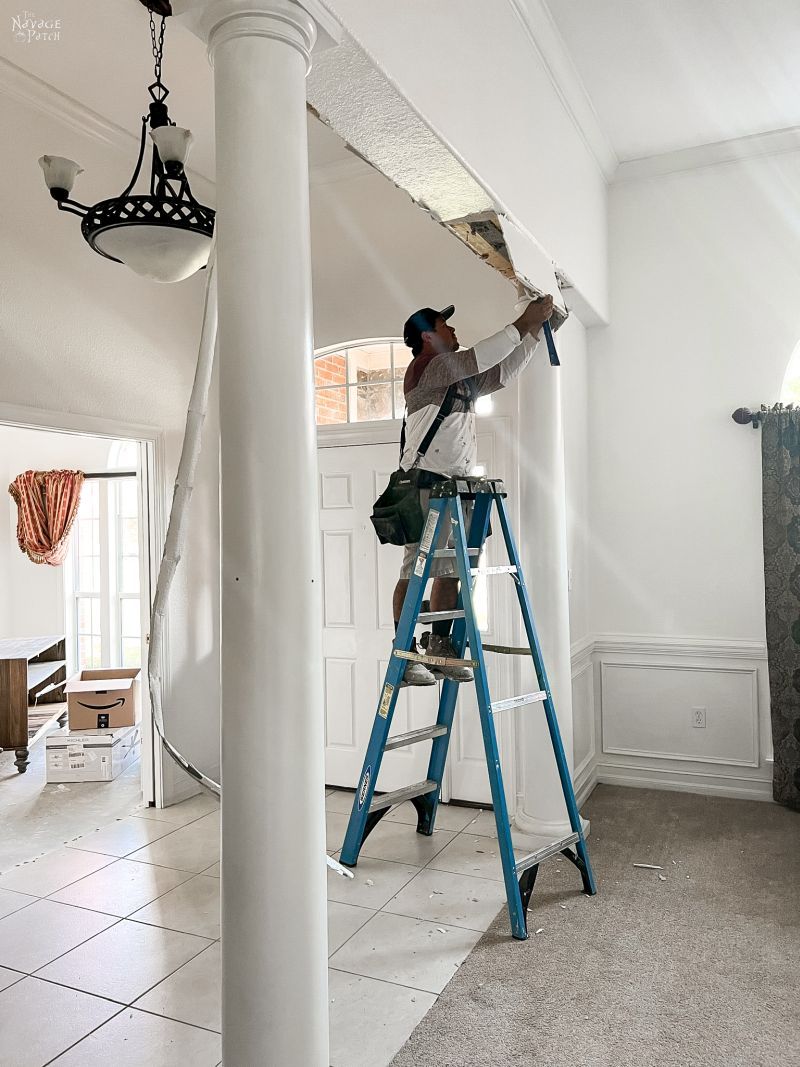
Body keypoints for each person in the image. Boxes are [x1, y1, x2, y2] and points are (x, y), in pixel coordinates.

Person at [395, 295, 554, 685]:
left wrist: (532, 336)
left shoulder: (456, 377)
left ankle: (439, 648)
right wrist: (522, 322)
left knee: (450, 571)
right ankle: (404, 654)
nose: (454, 330)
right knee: (415, 571)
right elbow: (480, 358)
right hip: (426, 485)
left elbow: (501, 374)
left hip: (456, 488)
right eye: (446, 326)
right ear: (428, 336)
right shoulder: (427, 368)